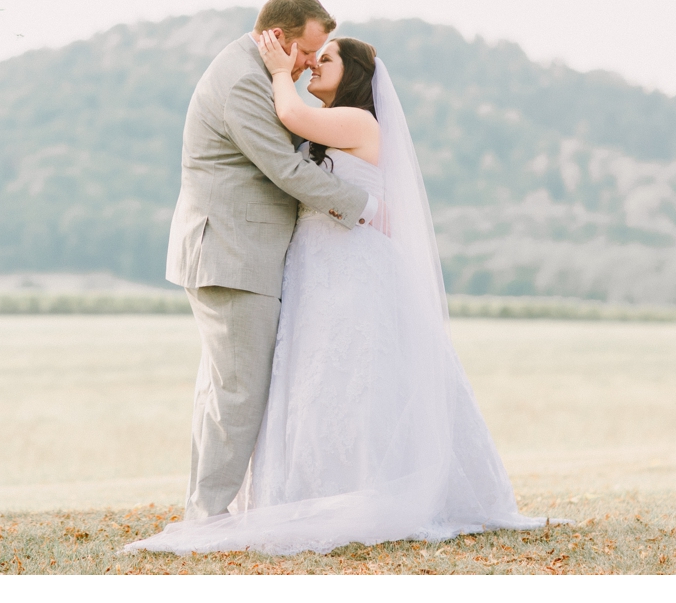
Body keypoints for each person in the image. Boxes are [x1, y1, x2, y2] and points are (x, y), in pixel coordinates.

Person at [126, 29, 555, 555]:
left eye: (324, 59)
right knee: (314, 374)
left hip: (352, 266)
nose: (312, 67)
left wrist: (281, 71)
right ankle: (311, 485)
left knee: (357, 371)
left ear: (351, 74)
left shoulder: (358, 120)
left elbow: (291, 116)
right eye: (312, 58)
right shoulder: (330, 128)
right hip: (313, 266)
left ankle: (366, 484)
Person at [158, 0, 385, 524]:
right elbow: (286, 171)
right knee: (236, 393)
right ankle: (208, 516)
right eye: (308, 51)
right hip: (232, 252)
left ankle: (208, 508)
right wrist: (365, 204)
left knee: (225, 388)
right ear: (278, 39)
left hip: (241, 252)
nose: (309, 63)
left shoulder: (259, 74)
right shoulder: (244, 81)